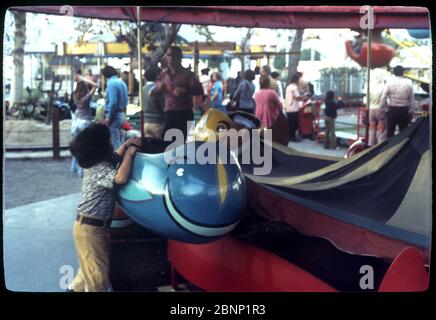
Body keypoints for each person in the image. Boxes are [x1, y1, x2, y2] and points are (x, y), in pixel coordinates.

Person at [68, 124, 142, 292]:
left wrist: (126, 145)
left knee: (88, 272)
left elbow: (115, 158)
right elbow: (120, 178)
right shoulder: (98, 168)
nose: (111, 141)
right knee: (97, 280)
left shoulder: (99, 162)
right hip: (90, 229)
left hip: (91, 227)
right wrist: (131, 153)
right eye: (108, 139)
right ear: (101, 145)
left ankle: (72, 290)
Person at [154, 46, 203, 142]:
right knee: (166, 142)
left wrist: (186, 91)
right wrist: (157, 88)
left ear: (179, 57)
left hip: (184, 113)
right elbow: (155, 90)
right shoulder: (164, 74)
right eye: (168, 55)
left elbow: (199, 90)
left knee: (179, 142)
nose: (170, 58)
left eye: (173, 55)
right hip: (168, 113)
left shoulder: (188, 74)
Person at [70, 77, 98, 177]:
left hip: (77, 123)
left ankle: (73, 167)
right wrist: (84, 79)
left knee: (77, 146)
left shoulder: (75, 96)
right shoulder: (86, 97)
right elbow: (96, 85)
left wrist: (80, 80)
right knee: (85, 148)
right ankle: (81, 172)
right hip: (85, 122)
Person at [380, 65, 416, 138]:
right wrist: (412, 111)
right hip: (404, 110)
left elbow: (383, 97)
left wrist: (385, 109)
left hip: (392, 109)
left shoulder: (389, 82)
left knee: (390, 133)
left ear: (394, 73)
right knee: (403, 133)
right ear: (403, 73)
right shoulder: (409, 83)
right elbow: (412, 99)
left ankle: (390, 148)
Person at [101, 65, 128, 150]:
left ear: (105, 75)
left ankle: (118, 162)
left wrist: (109, 117)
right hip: (122, 114)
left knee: (114, 143)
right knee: (120, 141)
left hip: (115, 116)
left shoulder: (111, 83)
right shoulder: (122, 83)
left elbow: (113, 102)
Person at [366, 69, 388, 146]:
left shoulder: (370, 86)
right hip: (380, 109)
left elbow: (366, 99)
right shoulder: (384, 87)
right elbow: (384, 100)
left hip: (371, 109)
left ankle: (370, 145)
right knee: (382, 129)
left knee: (372, 128)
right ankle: (380, 146)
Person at [284, 74, 308, 142]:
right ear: (297, 80)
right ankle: (293, 137)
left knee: (290, 123)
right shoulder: (294, 87)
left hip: (288, 107)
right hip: (293, 108)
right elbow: (297, 97)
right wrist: (304, 97)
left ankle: (289, 136)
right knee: (294, 124)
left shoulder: (289, 86)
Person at [143, 67, 165, 139]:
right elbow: (163, 105)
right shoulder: (158, 89)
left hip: (146, 123)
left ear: (145, 77)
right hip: (158, 123)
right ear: (157, 76)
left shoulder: (143, 89)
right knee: (160, 147)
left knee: (150, 147)